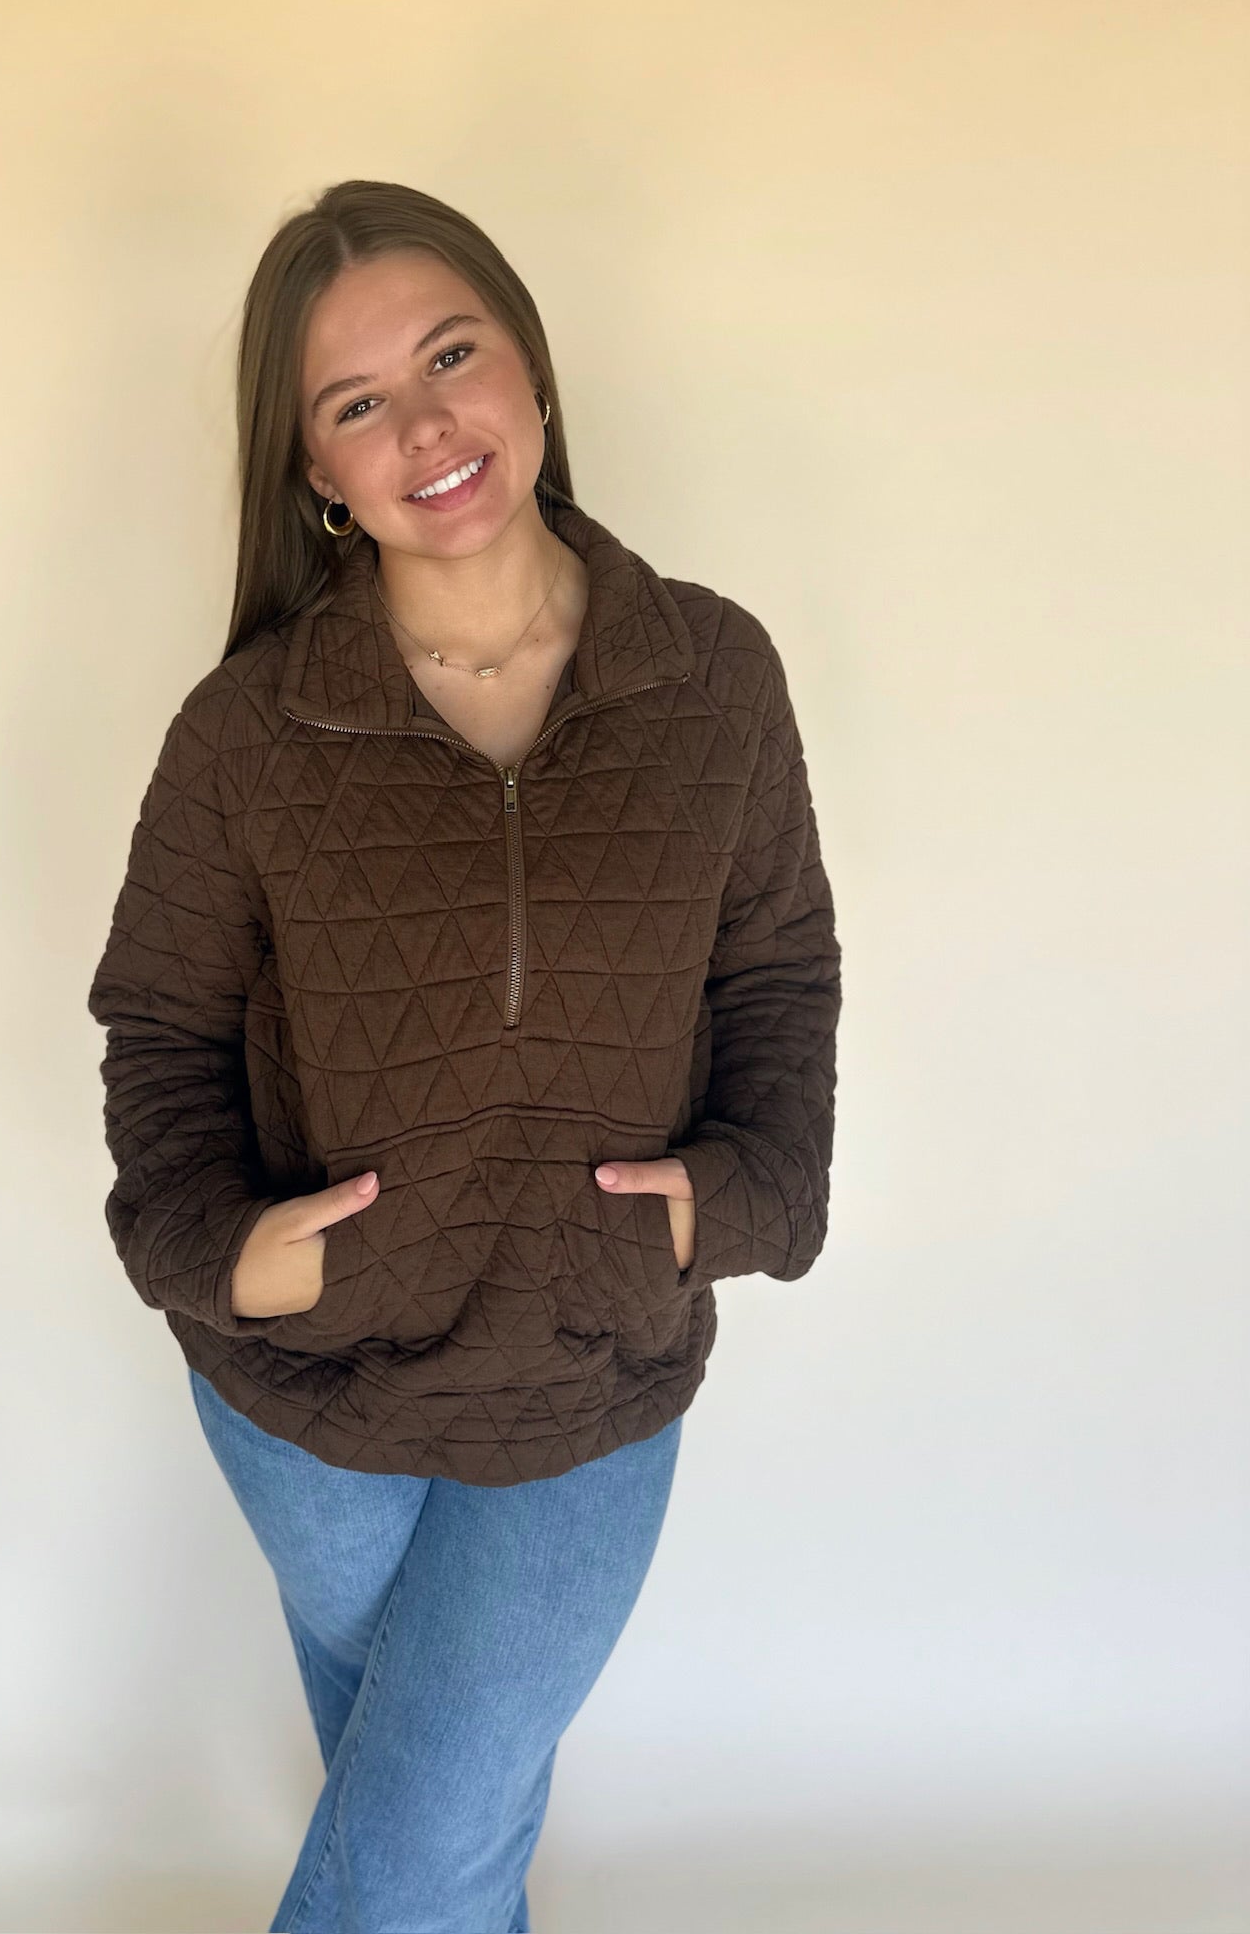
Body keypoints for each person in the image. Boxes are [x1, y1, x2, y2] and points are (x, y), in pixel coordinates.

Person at [86, 178, 843, 1933]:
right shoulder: (247, 733)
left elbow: (783, 974)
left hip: (585, 1371)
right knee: (449, 1835)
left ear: (533, 371)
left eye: (452, 354)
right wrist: (221, 1254)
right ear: (316, 478)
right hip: (305, 1398)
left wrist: (731, 1205)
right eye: (357, 403)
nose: (426, 424)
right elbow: (162, 1029)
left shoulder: (713, 677)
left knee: (418, 1846)